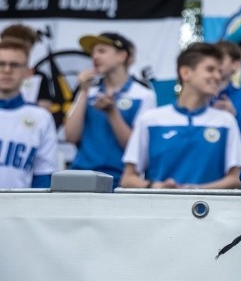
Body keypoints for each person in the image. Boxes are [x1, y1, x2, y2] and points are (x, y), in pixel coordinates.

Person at [120, 43, 241, 189]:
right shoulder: (150, 119)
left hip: (210, 211)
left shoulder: (226, 121)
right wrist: (156, 186)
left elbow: (237, 178)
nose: (218, 76)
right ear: (185, 73)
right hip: (159, 209)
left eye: (219, 71)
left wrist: (195, 192)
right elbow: (127, 178)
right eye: (210, 70)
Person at [65, 32, 156, 186]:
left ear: (122, 56)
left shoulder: (144, 95)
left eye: (102, 51)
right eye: (93, 52)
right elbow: (71, 136)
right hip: (81, 176)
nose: (95, 57)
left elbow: (137, 147)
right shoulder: (88, 91)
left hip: (120, 180)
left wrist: (112, 113)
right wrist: (83, 91)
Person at [0, 37, 59, 188]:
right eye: (1, 64)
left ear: (28, 71)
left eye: (15, 65)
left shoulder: (41, 118)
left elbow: (44, 176)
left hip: (18, 209)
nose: (7, 70)